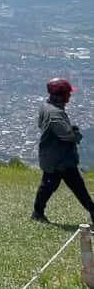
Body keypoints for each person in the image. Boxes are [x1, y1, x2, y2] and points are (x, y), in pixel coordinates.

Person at [32, 78, 94, 224]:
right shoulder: (56, 114)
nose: (70, 96)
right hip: (59, 159)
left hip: (54, 157)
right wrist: (76, 133)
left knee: (50, 186)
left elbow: (42, 125)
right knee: (76, 188)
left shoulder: (46, 107)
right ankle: (37, 213)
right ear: (60, 95)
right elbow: (68, 136)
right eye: (67, 93)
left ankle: (38, 213)